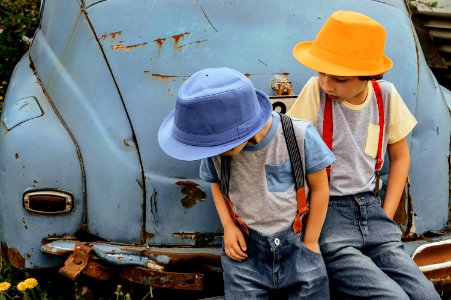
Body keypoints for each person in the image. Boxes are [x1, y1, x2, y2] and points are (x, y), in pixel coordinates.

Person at [287, 10, 441, 300]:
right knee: (391, 297)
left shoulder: (386, 95)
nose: (326, 84)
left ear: (370, 75)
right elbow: (290, 152)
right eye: (321, 72)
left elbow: (401, 157)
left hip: (373, 212)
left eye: (339, 78)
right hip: (330, 216)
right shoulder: (315, 93)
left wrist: (386, 213)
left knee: (426, 295)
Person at [158, 67, 335, 299]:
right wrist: (229, 227)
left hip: (298, 246)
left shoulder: (298, 135)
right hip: (246, 254)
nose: (211, 152)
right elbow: (217, 185)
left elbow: (321, 187)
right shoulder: (216, 152)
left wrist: (311, 241)